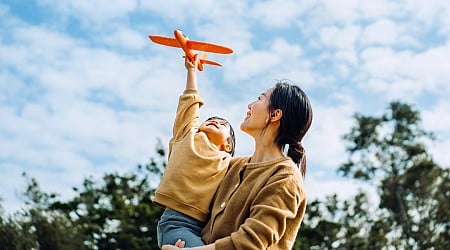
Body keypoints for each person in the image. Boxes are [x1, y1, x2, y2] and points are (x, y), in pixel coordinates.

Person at [162, 78, 313, 249]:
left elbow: (251, 242)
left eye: (259, 99)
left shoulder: (285, 177)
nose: (250, 105)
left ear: (275, 115)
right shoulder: (231, 166)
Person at [153, 54, 236, 248]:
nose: (216, 121)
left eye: (223, 124)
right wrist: (191, 70)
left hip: (206, 228)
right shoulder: (187, 136)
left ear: (228, 146)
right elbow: (189, 103)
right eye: (211, 120)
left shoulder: (227, 162)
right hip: (175, 223)